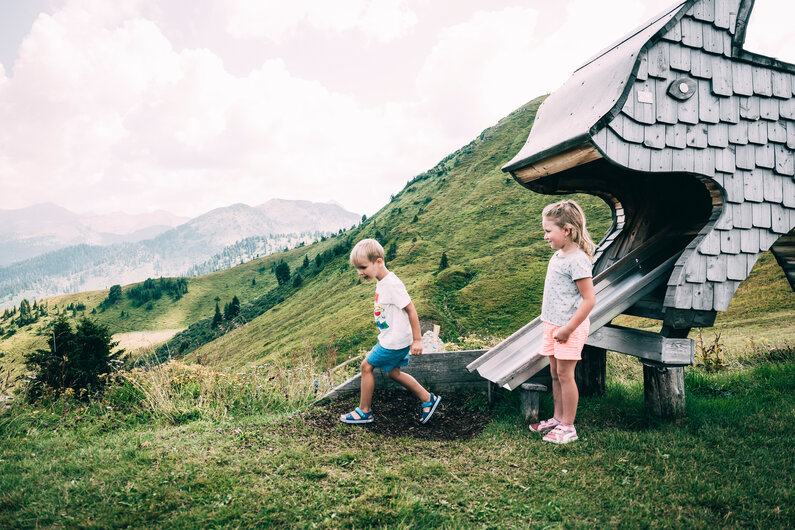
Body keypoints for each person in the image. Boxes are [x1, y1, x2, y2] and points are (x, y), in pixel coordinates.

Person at [340, 238, 441, 425]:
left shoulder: (392, 284)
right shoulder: (382, 280)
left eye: (363, 267)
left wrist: (417, 340)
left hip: (393, 342)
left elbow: (411, 309)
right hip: (393, 338)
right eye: (357, 269)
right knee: (393, 373)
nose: (360, 273)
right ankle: (428, 398)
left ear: (378, 262)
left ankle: (364, 411)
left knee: (366, 367)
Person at [529, 200, 596, 444]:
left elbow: (589, 300)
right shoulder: (559, 256)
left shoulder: (577, 260)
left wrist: (568, 329)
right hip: (553, 325)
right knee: (556, 374)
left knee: (566, 376)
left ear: (567, 230)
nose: (545, 236)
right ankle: (557, 419)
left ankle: (568, 426)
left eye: (549, 231)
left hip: (569, 327)